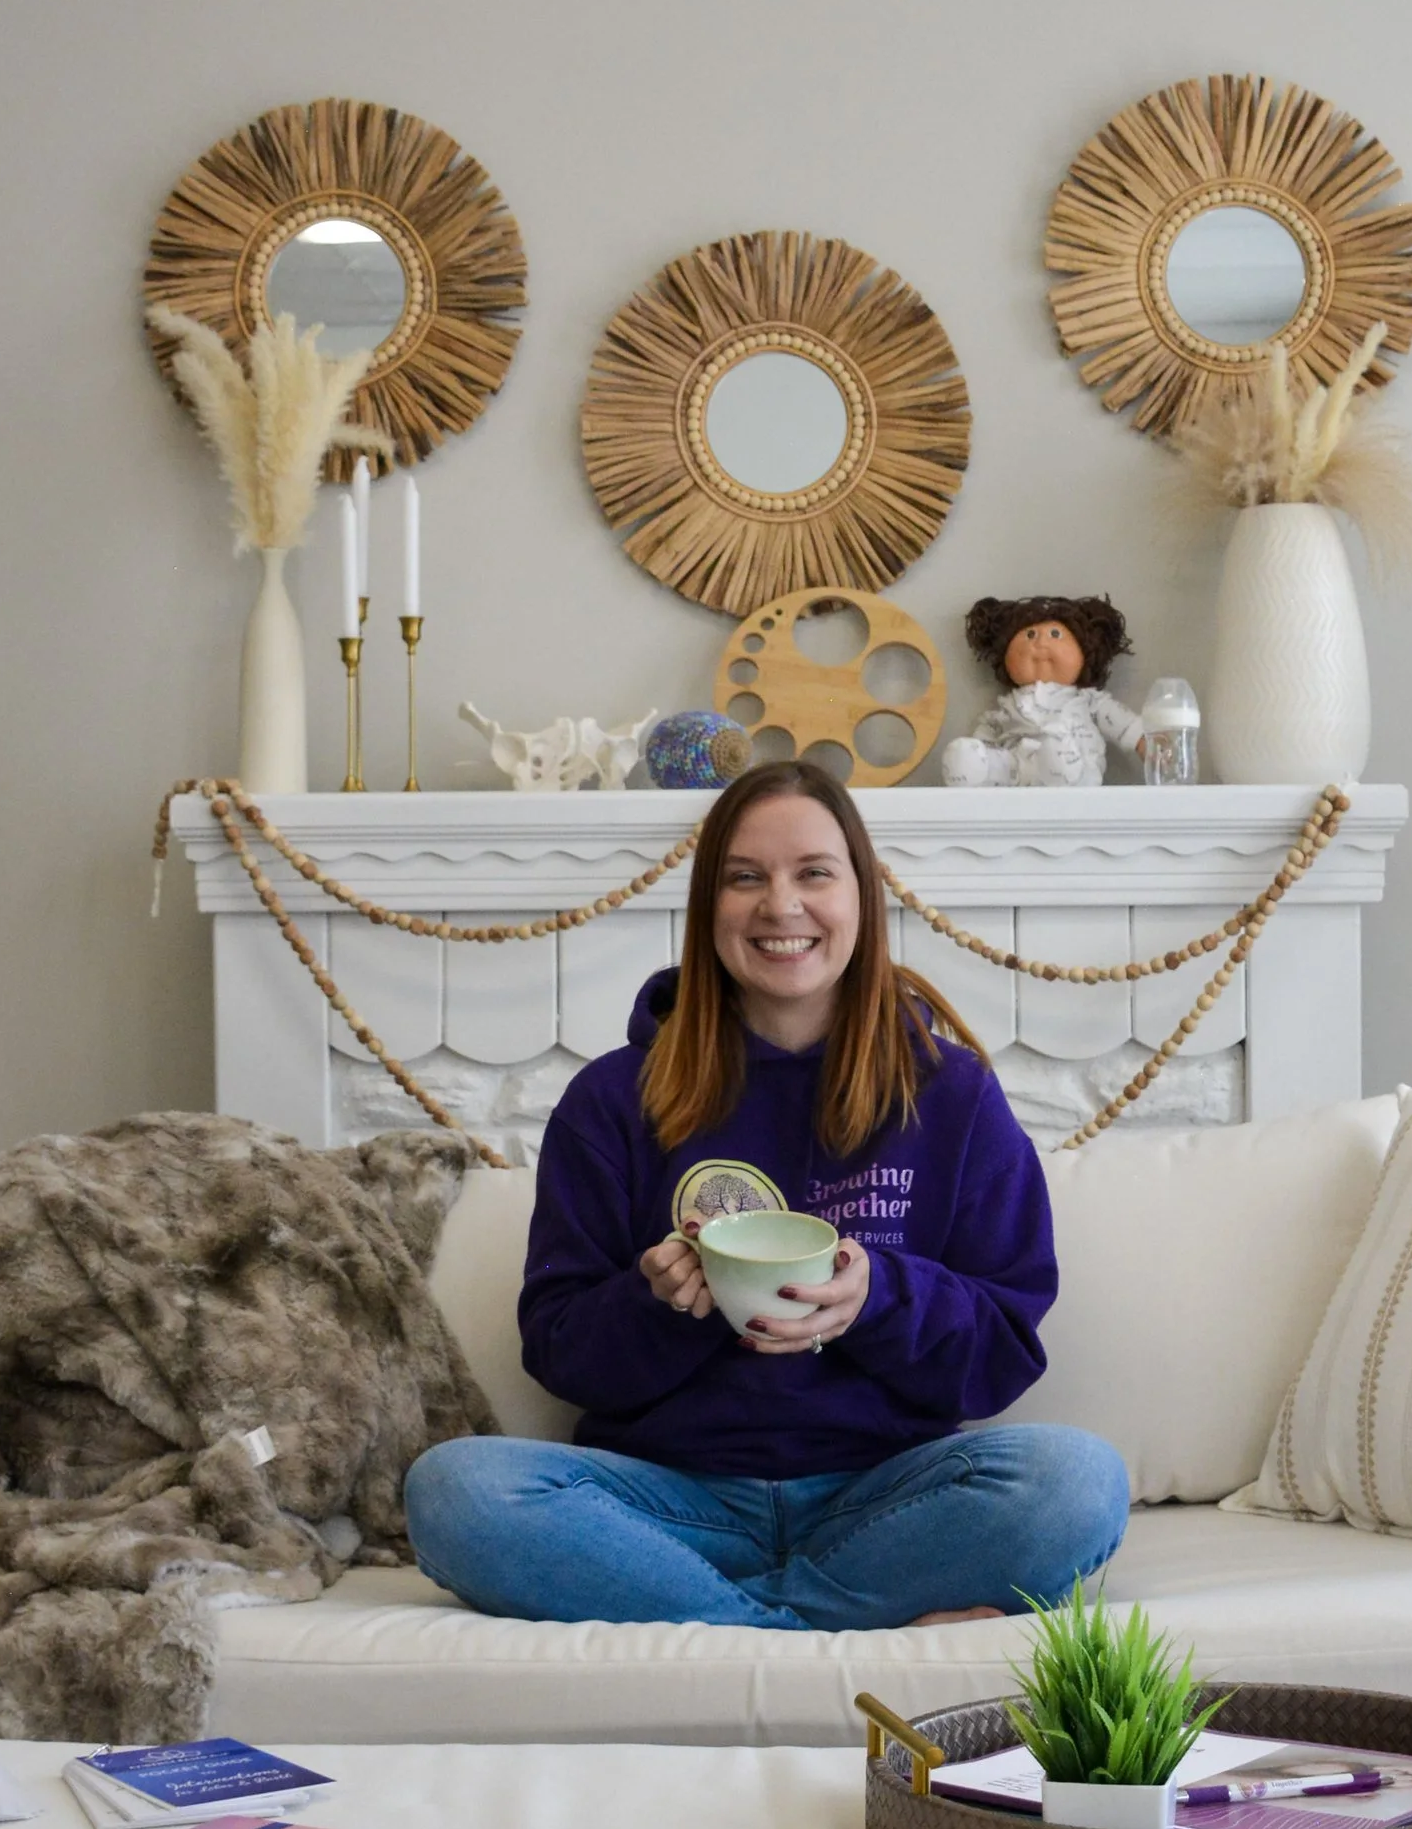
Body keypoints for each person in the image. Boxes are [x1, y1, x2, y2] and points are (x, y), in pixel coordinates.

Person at [405, 759, 1130, 1629]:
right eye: (745, 878)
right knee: (453, 1491)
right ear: (708, 908)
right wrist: (660, 1302)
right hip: (670, 1509)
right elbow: (559, 1354)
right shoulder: (612, 1099)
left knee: (1077, 1483)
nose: (780, 906)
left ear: (861, 895)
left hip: (886, 1499)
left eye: (813, 873)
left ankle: (729, 1629)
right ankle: (814, 1630)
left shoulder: (951, 1094)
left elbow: (1004, 1354)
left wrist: (879, 1296)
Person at [942, 592, 1146, 789]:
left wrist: (1148, 745)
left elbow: (1123, 724)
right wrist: (976, 756)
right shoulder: (1007, 706)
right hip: (1017, 770)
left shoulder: (1087, 700)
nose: (1040, 643)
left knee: (1056, 751)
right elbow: (987, 735)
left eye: (1055, 635)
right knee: (964, 757)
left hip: (1073, 763)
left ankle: (1059, 766)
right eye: (1030, 635)